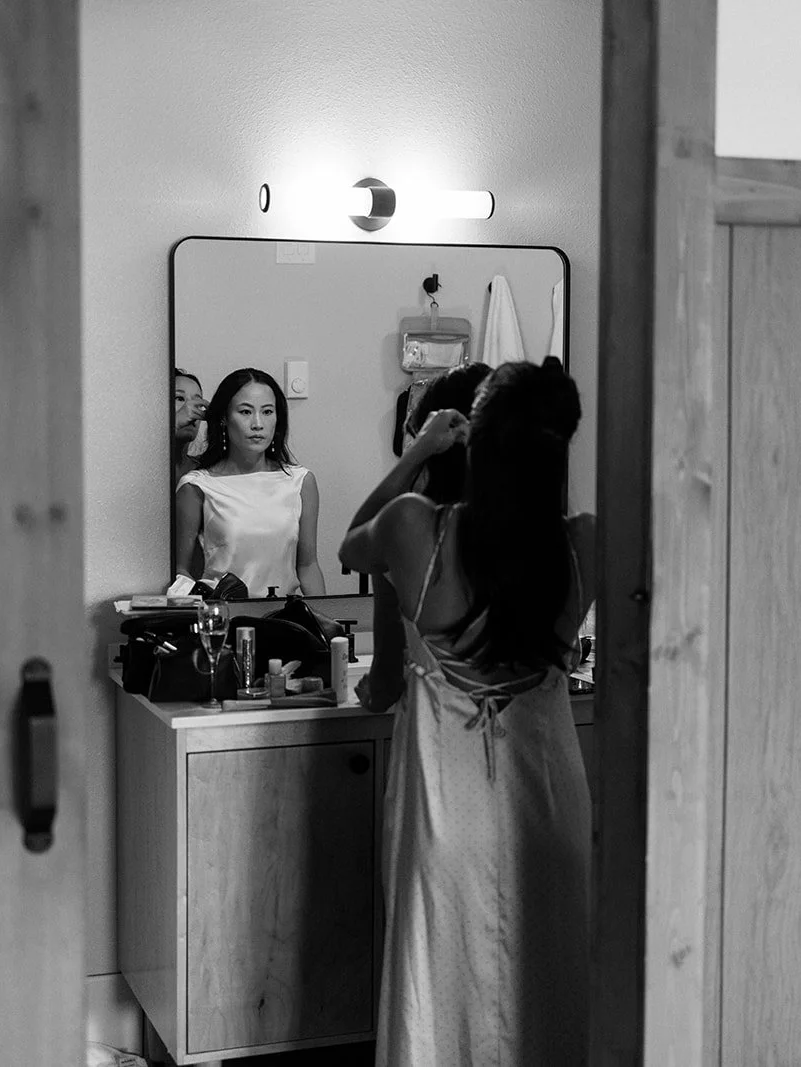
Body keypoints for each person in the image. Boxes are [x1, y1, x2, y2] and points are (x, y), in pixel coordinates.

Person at [339, 358, 596, 1066]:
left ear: (474, 442)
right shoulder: (583, 543)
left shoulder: (415, 528)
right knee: (550, 979)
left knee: (441, 980)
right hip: (549, 810)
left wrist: (418, 449)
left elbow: (349, 543)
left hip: (445, 814)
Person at [358, 361, 492, 714]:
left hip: (440, 747)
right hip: (529, 751)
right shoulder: (551, 534)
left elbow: (385, 686)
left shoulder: (405, 539)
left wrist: (415, 453)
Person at [175, 368, 327, 597]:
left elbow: (307, 566)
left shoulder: (300, 482)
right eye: (245, 412)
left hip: (286, 621)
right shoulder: (197, 486)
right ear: (225, 418)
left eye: (267, 412)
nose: (257, 424)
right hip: (223, 621)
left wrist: (323, 625)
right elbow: (181, 572)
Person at [172, 368, 206, 482]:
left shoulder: (205, 471)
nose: (190, 408)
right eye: (179, 398)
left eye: (198, 402)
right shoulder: (143, 466)